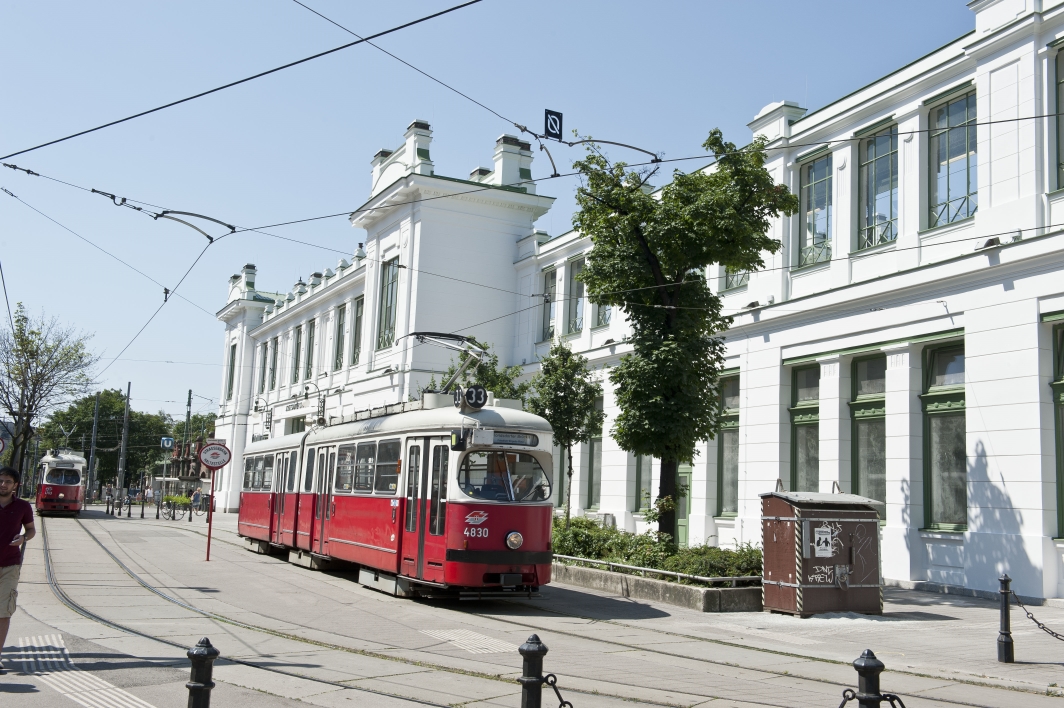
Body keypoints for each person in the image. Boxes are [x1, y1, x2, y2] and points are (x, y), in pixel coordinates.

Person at [0, 466, 35, 674]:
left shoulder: (22, 506)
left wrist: (24, 537)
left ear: (15, 486)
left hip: (9, 566)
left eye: (7, 482)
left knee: (3, 613)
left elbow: (31, 530)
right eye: (0, 480)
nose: (3, 484)